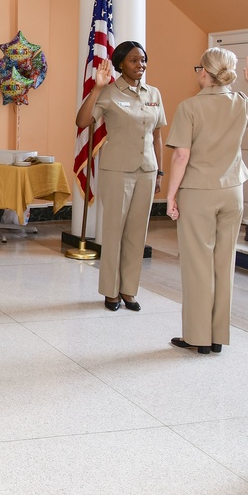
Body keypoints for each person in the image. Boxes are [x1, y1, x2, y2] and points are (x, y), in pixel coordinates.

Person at [165, 49, 248, 354]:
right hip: (233, 192)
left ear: (204, 72)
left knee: (197, 265)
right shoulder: (242, 102)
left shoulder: (189, 107)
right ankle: (217, 336)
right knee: (223, 264)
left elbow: (181, 155)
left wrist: (170, 195)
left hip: (198, 192)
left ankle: (197, 337)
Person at [75, 41, 166, 312]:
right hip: (117, 171)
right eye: (134, 61)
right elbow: (82, 122)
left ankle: (129, 290)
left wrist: (159, 171)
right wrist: (98, 88)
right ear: (121, 64)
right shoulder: (109, 93)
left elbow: (157, 135)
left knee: (137, 234)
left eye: (143, 60)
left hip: (147, 171)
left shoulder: (154, 93)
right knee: (114, 232)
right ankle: (110, 291)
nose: (141, 65)